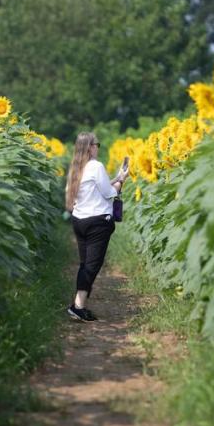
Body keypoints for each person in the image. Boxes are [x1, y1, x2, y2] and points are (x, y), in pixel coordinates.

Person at [64, 132, 129, 321]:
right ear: (90, 147)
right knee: (92, 265)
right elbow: (109, 194)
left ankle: (79, 306)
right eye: (97, 145)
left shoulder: (76, 168)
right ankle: (78, 306)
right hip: (97, 222)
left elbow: (92, 188)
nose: (98, 148)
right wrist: (122, 180)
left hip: (79, 221)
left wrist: (115, 177)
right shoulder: (96, 166)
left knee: (85, 264)